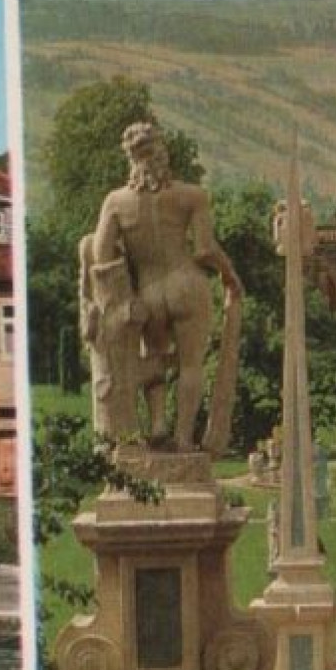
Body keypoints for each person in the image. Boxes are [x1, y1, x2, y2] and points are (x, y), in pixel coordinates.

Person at [81, 121, 241, 451]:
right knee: (190, 364)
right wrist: (230, 274)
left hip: (148, 291)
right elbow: (204, 249)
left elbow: (99, 252)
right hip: (188, 285)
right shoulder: (192, 196)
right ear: (162, 154)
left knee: (153, 355)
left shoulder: (116, 202)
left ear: (131, 159)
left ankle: (157, 424)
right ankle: (183, 438)